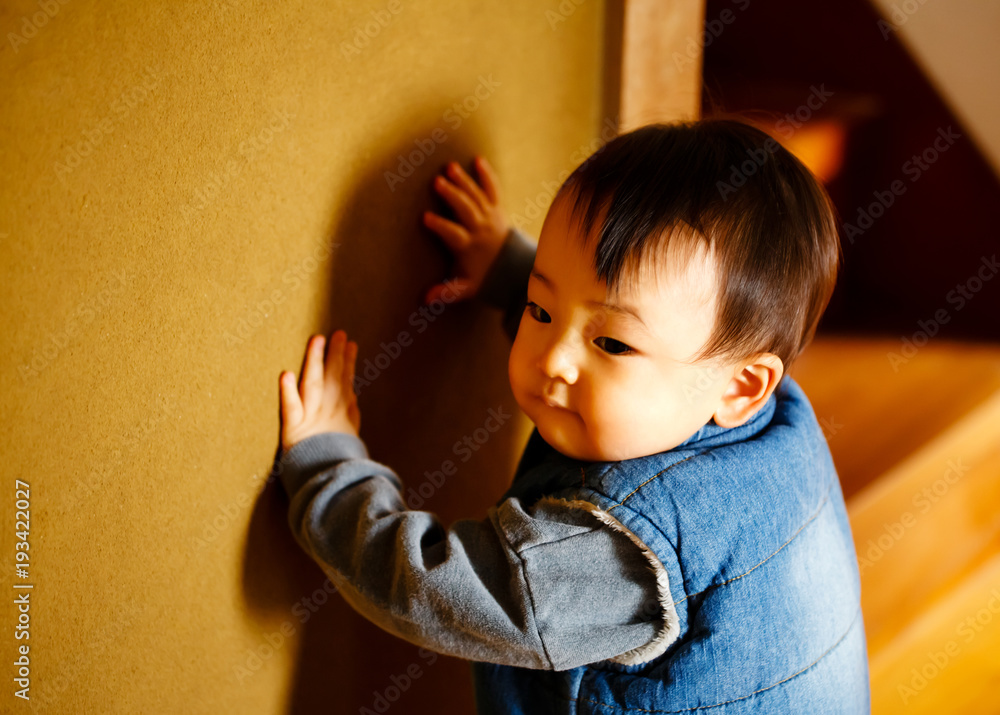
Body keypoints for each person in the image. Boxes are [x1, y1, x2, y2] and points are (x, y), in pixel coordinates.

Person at [273, 119, 871, 713]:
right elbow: (606, 304)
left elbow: (433, 586)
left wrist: (328, 463)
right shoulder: (774, 417)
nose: (554, 359)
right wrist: (508, 269)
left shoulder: (618, 557)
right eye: (541, 308)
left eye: (611, 344)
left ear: (742, 384)